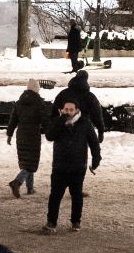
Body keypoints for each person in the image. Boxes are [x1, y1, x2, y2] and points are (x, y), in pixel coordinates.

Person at [40, 98, 101, 235]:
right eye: (65, 109)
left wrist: (96, 158)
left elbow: (94, 142)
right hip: (59, 167)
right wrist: (61, 121)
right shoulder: (57, 121)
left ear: (77, 110)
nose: (68, 112)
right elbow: (49, 136)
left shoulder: (85, 123)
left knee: (76, 195)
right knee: (55, 195)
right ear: (62, 110)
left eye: (71, 109)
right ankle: (51, 222)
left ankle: (75, 221)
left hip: (77, 167)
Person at [4, 85, 47, 199]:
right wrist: (50, 132)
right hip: (33, 134)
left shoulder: (19, 102)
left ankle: (30, 188)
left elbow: (13, 120)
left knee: (27, 161)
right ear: (36, 89)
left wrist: (9, 134)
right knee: (31, 163)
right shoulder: (38, 102)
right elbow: (45, 119)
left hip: (21, 134)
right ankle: (17, 182)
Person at [56, 68, 107, 140]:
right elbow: (96, 114)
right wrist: (101, 131)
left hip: (65, 126)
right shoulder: (90, 96)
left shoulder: (63, 93)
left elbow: (55, 111)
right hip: (83, 128)